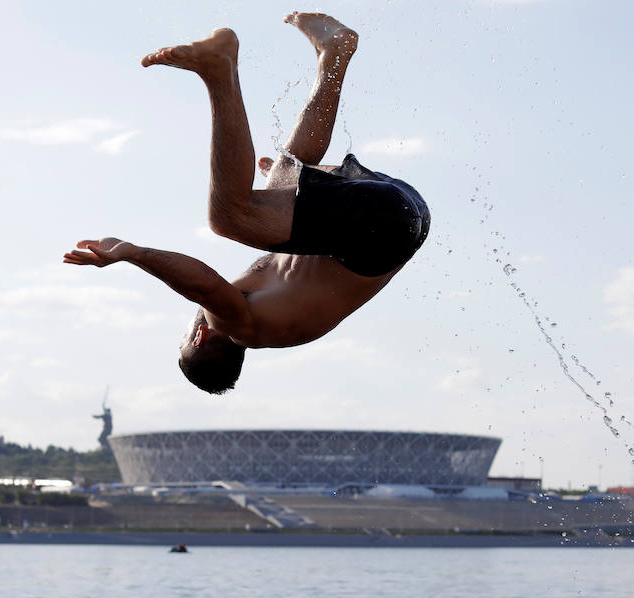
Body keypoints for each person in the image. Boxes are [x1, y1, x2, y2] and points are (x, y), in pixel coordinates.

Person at [64, 12, 429, 394]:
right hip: (381, 227)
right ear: (200, 338)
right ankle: (218, 71)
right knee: (229, 218)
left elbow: (331, 252)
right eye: (188, 332)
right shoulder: (239, 327)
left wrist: (300, 184)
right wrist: (130, 253)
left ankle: (334, 53)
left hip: (405, 215)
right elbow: (204, 286)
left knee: (280, 176)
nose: (195, 321)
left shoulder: (280, 308)